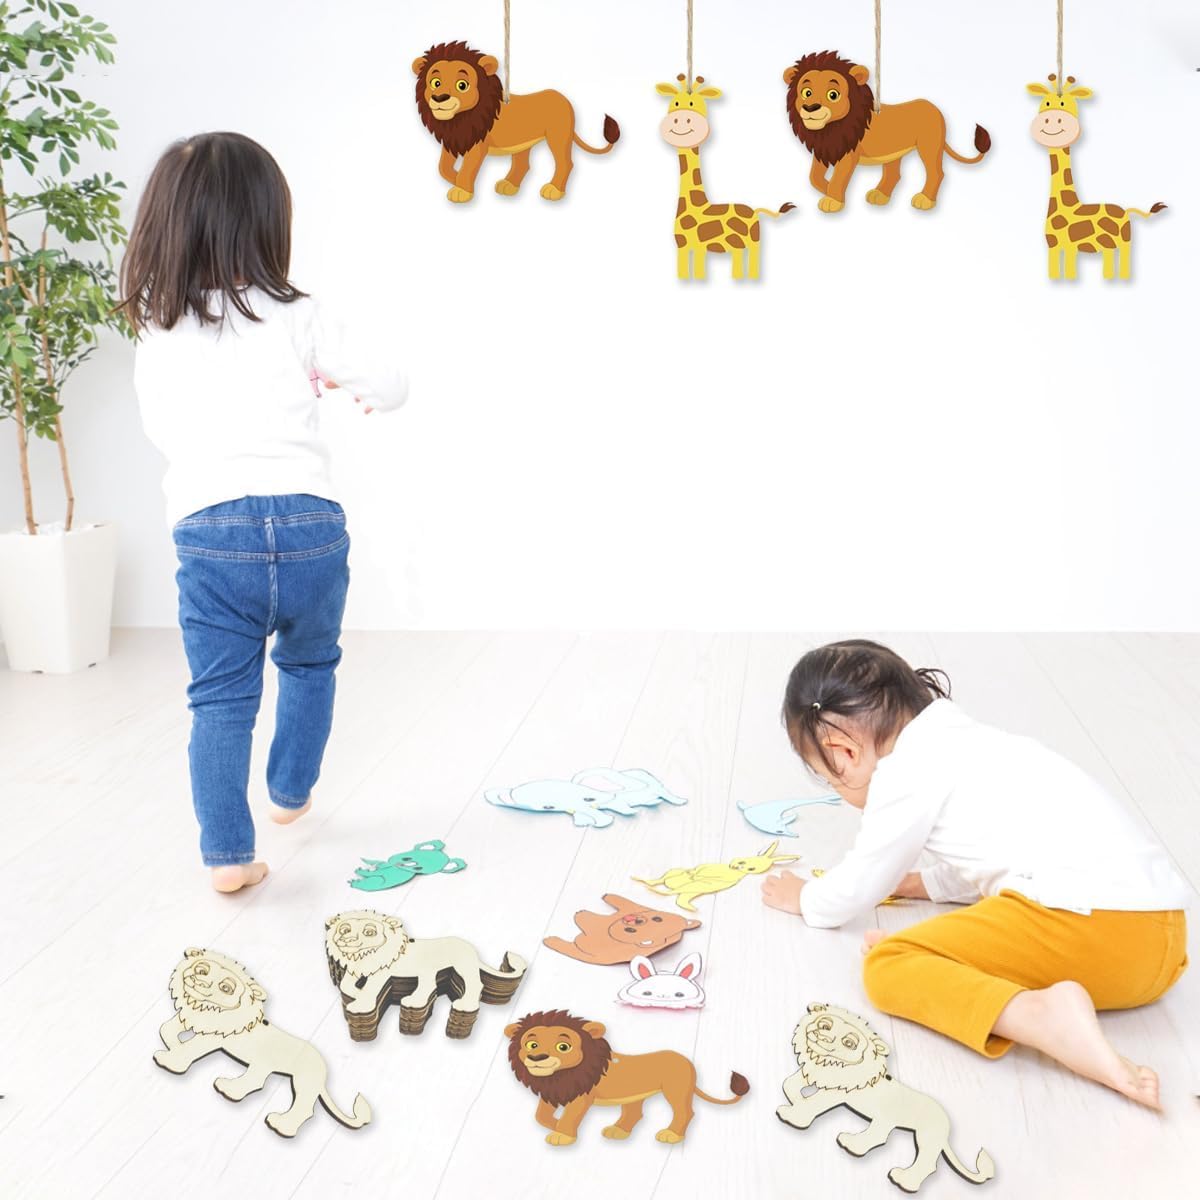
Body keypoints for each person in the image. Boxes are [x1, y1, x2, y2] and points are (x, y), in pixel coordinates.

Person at [122, 131, 407, 892]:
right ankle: (291, 793)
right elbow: (390, 382)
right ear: (268, 220)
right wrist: (359, 391)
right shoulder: (299, 313)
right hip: (311, 526)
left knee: (219, 701)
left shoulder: (157, 325)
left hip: (211, 534)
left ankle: (227, 856)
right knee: (310, 665)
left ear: (164, 225)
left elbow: (163, 432)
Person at [762, 638, 1189, 1109]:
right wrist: (923, 884)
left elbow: (859, 882)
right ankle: (946, 957)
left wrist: (805, 898)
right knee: (975, 923)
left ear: (841, 752)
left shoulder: (902, 774)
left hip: (1095, 930)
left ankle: (1040, 1014)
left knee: (886, 968)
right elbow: (996, 860)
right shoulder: (972, 741)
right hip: (1159, 947)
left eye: (826, 774)